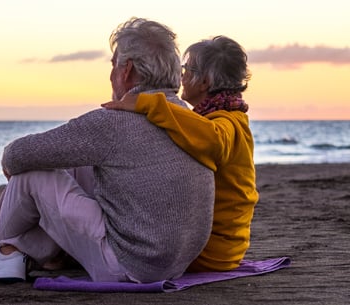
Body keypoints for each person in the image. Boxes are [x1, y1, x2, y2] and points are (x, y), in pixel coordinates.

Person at [0, 17, 216, 284]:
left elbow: (18, 155)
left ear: (127, 70)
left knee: (33, 176)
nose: (110, 75)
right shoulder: (186, 119)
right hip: (175, 264)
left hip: (128, 265)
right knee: (77, 166)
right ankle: (14, 252)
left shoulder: (114, 122)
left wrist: (12, 161)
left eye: (113, 65)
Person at [101, 35, 258, 272]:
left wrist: (150, 104)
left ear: (204, 81)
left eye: (187, 69)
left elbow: (213, 139)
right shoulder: (216, 118)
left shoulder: (228, 123)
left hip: (211, 253)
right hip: (220, 250)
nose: (181, 75)